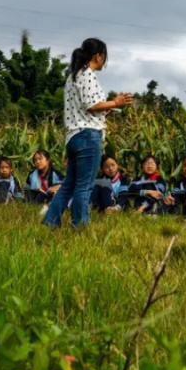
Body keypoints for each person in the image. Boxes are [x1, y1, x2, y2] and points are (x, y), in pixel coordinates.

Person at [43, 38, 134, 228]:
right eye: (105, 57)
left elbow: (87, 107)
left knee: (69, 184)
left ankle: (50, 221)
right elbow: (92, 105)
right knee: (84, 186)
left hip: (74, 136)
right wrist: (116, 103)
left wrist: (107, 108)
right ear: (98, 56)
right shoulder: (88, 75)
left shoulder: (73, 76)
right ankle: (80, 226)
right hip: (88, 136)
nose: (105, 62)